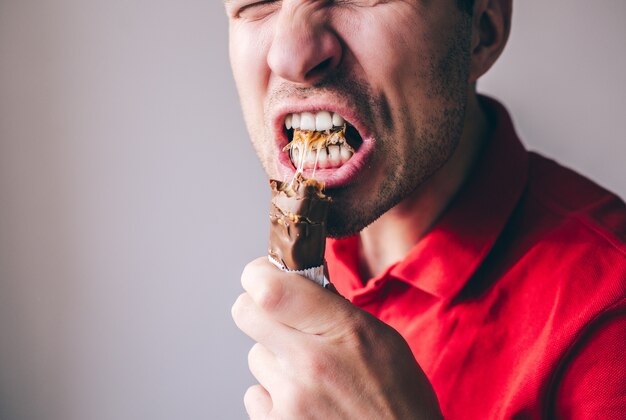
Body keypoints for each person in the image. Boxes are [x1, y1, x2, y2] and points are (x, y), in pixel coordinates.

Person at [225, 0, 626, 418]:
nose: (289, 55)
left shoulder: (611, 315)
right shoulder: (311, 261)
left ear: (482, 33)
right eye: (255, 2)